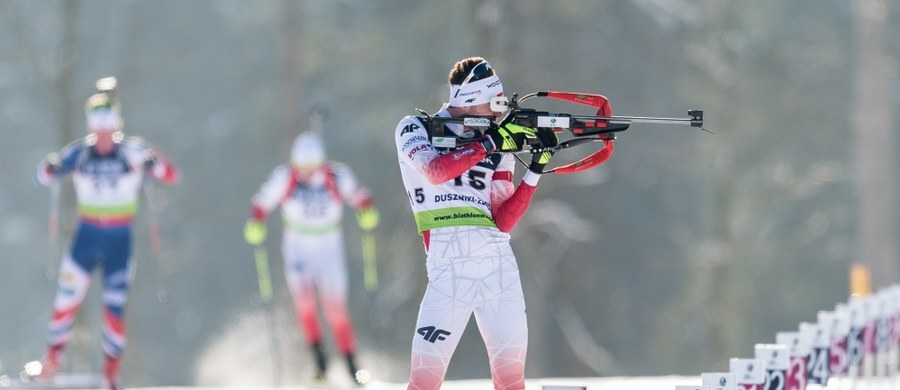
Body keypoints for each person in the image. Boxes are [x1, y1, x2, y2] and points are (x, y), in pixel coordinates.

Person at [393, 56, 577, 390]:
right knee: (423, 382)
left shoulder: (495, 144)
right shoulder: (413, 128)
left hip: (499, 268)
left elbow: (504, 220)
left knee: (511, 382)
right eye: (492, 103)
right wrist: (491, 142)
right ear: (468, 100)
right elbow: (436, 172)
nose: (497, 113)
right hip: (449, 269)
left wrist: (535, 170)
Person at [34, 82, 179, 390]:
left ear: (116, 126)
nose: (102, 139)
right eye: (98, 132)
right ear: (91, 128)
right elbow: (44, 176)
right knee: (66, 299)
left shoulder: (132, 150)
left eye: (108, 131)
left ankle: (111, 373)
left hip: (118, 240)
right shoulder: (80, 153)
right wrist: (51, 165)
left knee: (114, 307)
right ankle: (52, 361)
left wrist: (156, 162)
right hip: (86, 236)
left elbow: (170, 174)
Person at [243, 129, 379, 384]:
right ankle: (320, 362)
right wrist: (256, 222)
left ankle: (352, 364)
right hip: (298, 249)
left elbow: (359, 195)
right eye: (301, 166)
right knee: (305, 304)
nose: (305, 172)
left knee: (335, 308)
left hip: (329, 250)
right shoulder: (285, 176)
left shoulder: (337, 175)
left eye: (311, 166)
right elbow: (262, 202)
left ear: (321, 162)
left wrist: (366, 210)